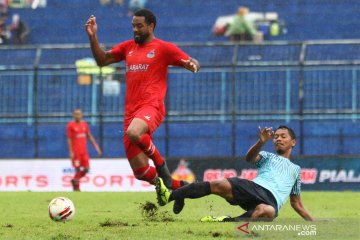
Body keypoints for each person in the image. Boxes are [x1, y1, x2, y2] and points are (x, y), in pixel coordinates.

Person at [85, 9, 200, 207]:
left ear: (151, 26)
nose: (135, 30)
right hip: (130, 112)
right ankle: (178, 188)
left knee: (134, 133)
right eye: (133, 26)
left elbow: (192, 61)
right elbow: (102, 61)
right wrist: (93, 37)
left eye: (139, 26)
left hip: (152, 106)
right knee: (141, 173)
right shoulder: (128, 47)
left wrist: (192, 65)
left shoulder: (164, 48)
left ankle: (162, 166)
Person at [156, 126, 314, 221]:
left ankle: (226, 221)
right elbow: (249, 158)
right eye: (276, 136)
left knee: (267, 212)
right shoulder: (268, 156)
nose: (278, 139)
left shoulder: (296, 170)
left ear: (293, 142)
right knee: (218, 184)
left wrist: (314, 224)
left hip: (270, 202)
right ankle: (169, 196)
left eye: (283, 136)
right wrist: (261, 142)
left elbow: (296, 203)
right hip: (252, 188)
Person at [67, 109, 102, 191]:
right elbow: (69, 139)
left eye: (79, 114)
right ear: (73, 115)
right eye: (76, 114)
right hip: (76, 152)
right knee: (77, 169)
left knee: (87, 169)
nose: (77, 116)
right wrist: (71, 151)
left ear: (82, 115)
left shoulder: (84, 124)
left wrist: (96, 147)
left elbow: (89, 136)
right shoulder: (70, 125)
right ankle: (77, 188)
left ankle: (75, 180)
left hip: (84, 152)